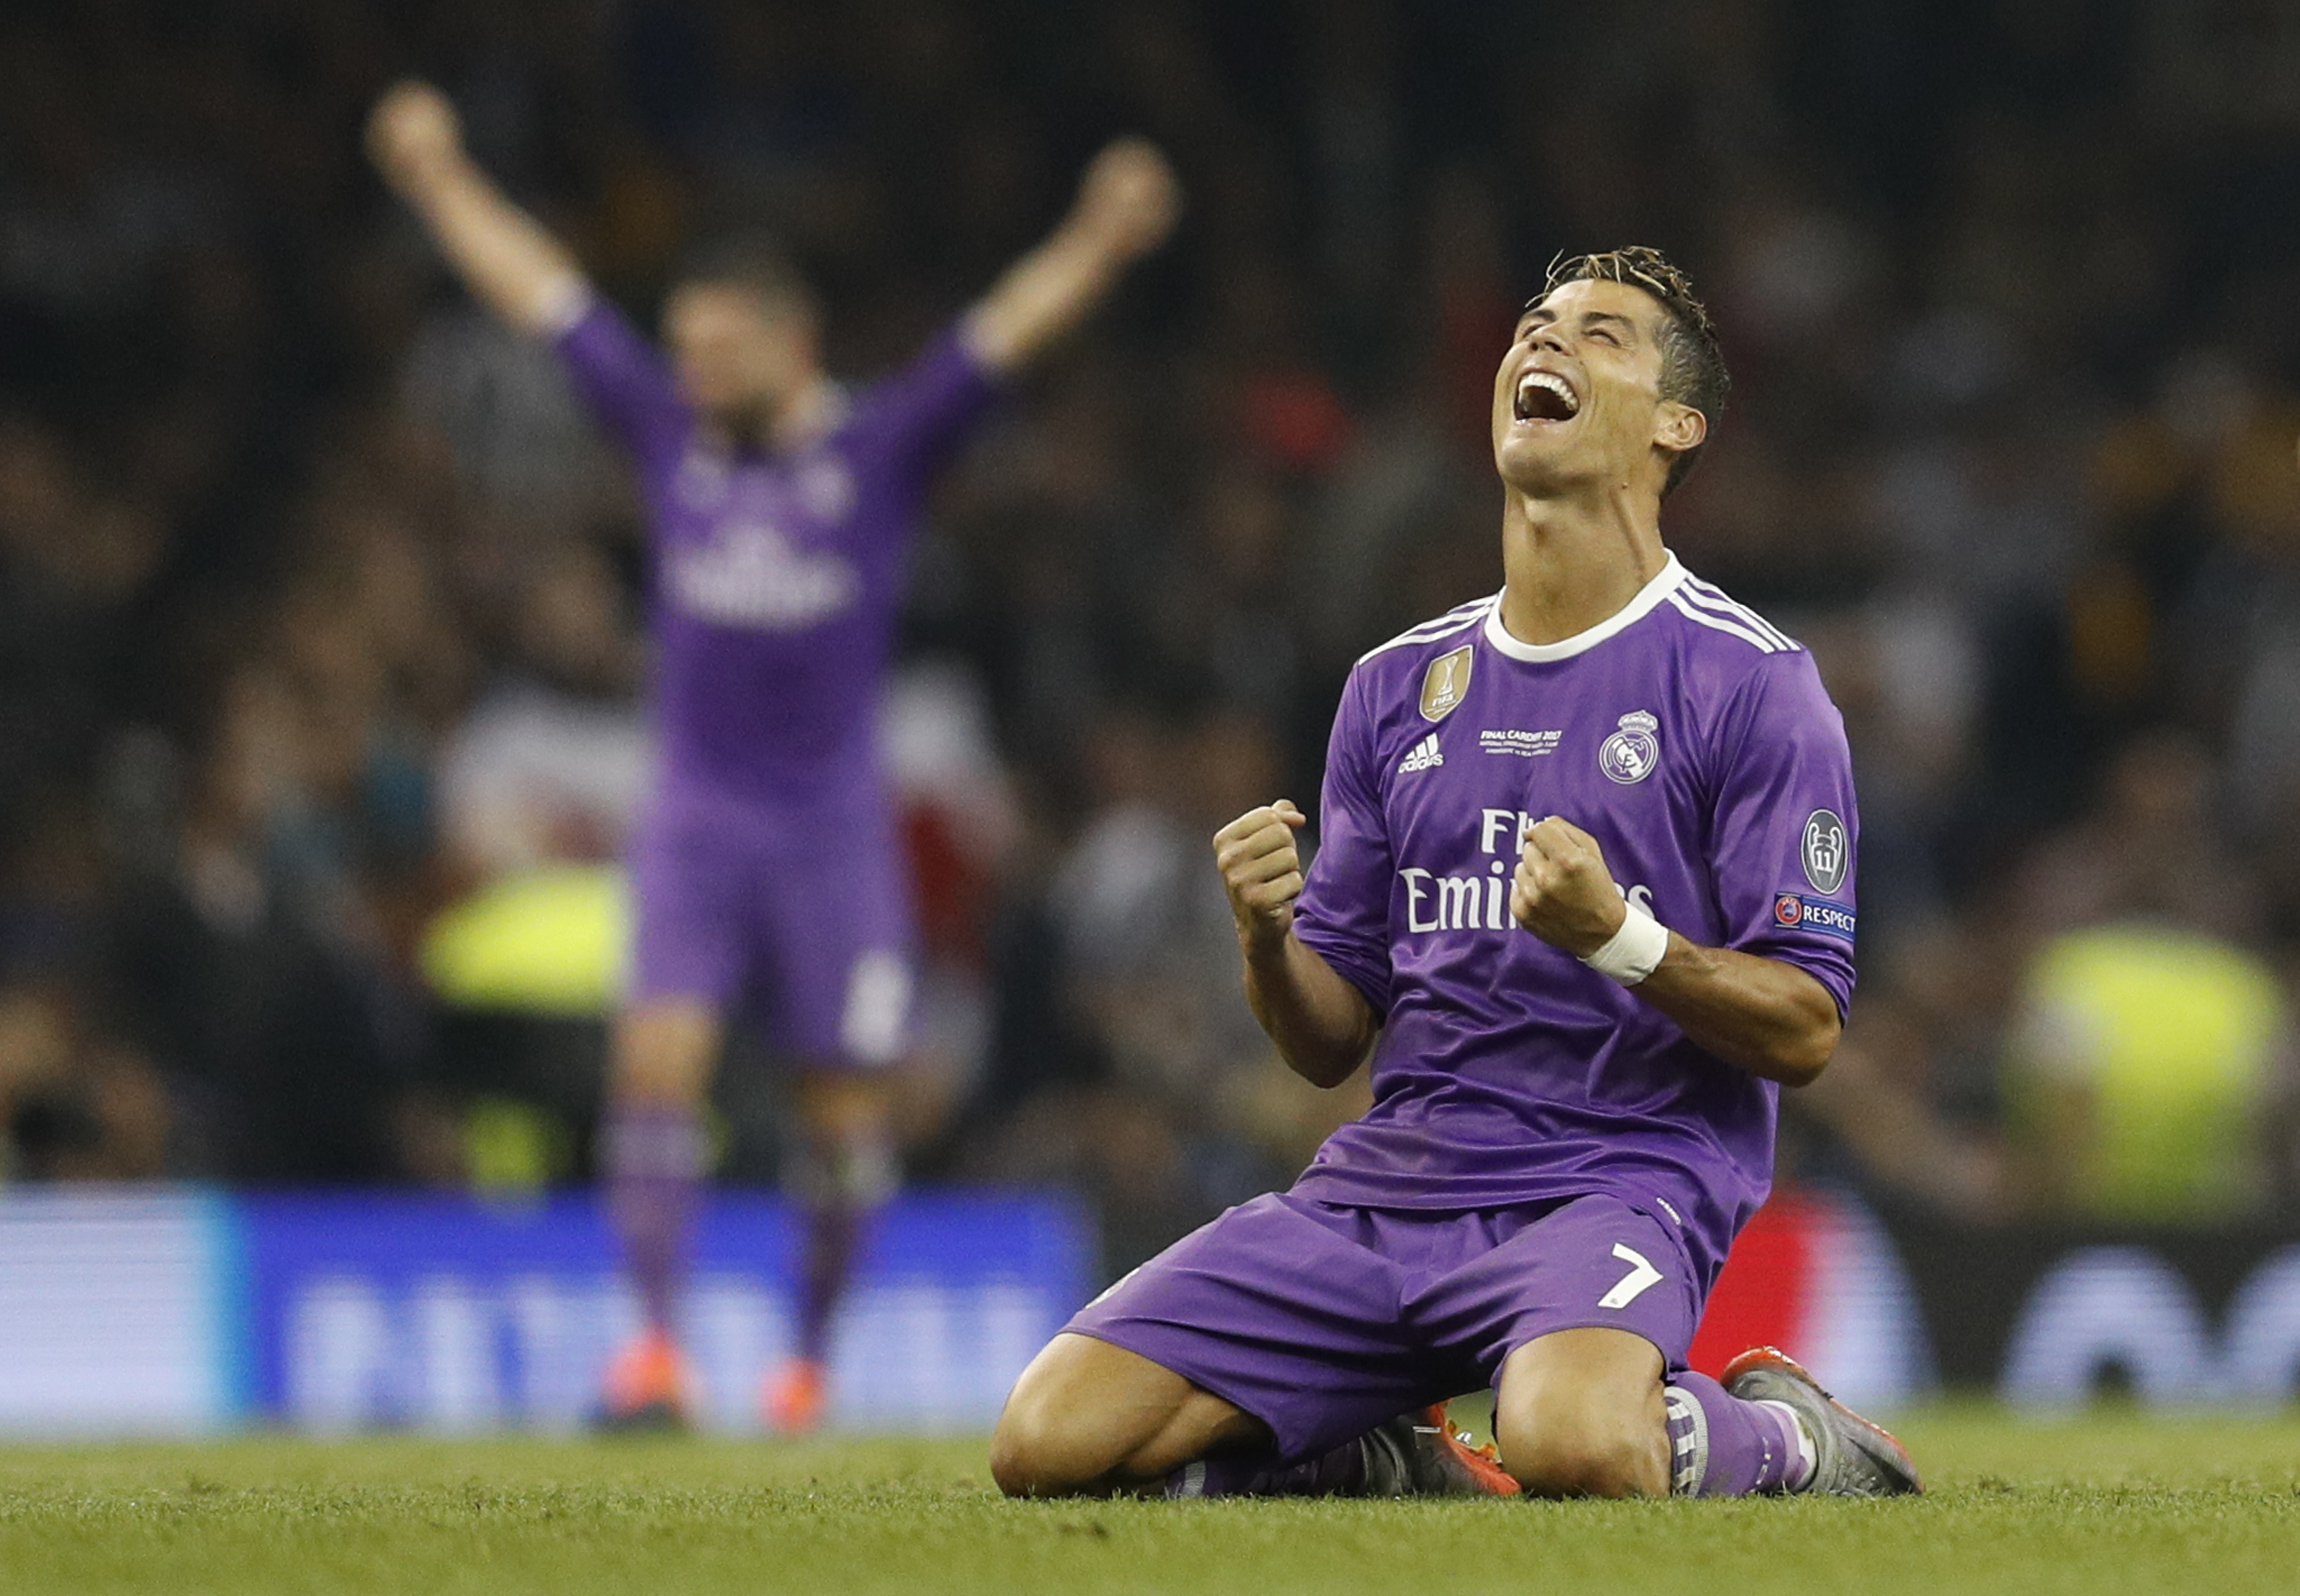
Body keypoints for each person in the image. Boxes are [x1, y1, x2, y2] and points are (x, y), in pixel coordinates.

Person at [991, 248, 1921, 1500]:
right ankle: (1377, 1451)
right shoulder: (1393, 688)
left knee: (1577, 1448)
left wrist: (1621, 939)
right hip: (1391, 1186)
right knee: (1047, 1444)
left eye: (1599, 335)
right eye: (1533, 327)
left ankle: (1793, 1440)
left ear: (1673, 424)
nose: (1543, 346)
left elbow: (1804, 1028)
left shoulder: (1749, 683)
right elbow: (1327, 1046)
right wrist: (1267, 939)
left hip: (1613, 1180)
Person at [367, 80, 1180, 1430]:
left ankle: (807, 1361)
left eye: (713, 348)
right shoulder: (666, 432)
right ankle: (652, 1358)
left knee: (844, 1125)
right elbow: (541, 290)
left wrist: (1099, 235)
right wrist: (439, 172)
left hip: (830, 835)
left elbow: (1003, 332)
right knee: (654, 1073)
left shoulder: (878, 449)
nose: (687, 370)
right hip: (694, 818)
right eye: (678, 347)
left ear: (786, 343)